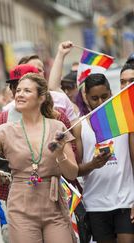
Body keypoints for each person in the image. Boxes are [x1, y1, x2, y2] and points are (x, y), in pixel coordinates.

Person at [0, 73, 79, 242]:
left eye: (27, 91)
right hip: (21, 209)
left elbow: (72, 173)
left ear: (41, 97)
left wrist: (60, 155)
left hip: (54, 208)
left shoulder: (57, 127)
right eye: (19, 90)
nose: (19, 94)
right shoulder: (6, 130)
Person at [71, 73, 134, 243]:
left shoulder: (127, 121)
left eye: (105, 96)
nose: (100, 103)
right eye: (94, 98)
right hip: (96, 205)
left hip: (125, 201)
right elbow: (74, 170)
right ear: (86, 98)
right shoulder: (79, 126)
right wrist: (92, 164)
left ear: (111, 93)